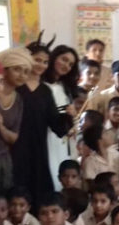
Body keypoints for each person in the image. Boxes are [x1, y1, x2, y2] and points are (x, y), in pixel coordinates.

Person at [13, 40, 74, 203]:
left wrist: (68, 116)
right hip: (15, 148)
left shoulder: (45, 91)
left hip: (39, 149)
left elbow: (57, 126)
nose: (41, 65)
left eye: (45, 62)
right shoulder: (16, 86)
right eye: (37, 60)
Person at [0, 49, 26, 195]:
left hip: (3, 158)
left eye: (26, 72)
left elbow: (14, 138)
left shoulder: (19, 99)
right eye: (17, 69)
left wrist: (1, 126)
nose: (22, 75)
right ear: (5, 69)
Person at [43, 45, 80, 190]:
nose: (66, 66)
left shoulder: (65, 87)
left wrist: (73, 115)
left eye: (70, 64)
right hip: (46, 136)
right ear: (54, 58)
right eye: (64, 60)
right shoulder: (41, 85)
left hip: (63, 139)